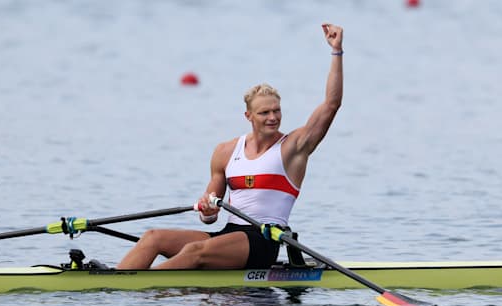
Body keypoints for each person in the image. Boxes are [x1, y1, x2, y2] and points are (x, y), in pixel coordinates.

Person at [116, 23, 343, 270]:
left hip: (263, 240)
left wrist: (336, 52)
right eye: (264, 112)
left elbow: (331, 104)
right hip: (229, 235)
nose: (272, 118)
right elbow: (209, 216)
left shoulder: (293, 147)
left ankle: (140, 289)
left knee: (193, 251)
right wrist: (206, 209)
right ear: (248, 116)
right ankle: (114, 284)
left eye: (276, 111)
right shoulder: (225, 151)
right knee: (152, 237)